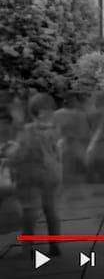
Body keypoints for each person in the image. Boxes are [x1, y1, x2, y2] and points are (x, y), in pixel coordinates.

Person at [7, 93, 64, 261]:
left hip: (33, 173)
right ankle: (55, 245)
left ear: (34, 111)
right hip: (53, 172)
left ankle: (27, 247)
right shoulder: (55, 129)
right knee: (51, 209)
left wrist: (10, 152)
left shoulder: (29, 130)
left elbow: (22, 153)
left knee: (29, 210)